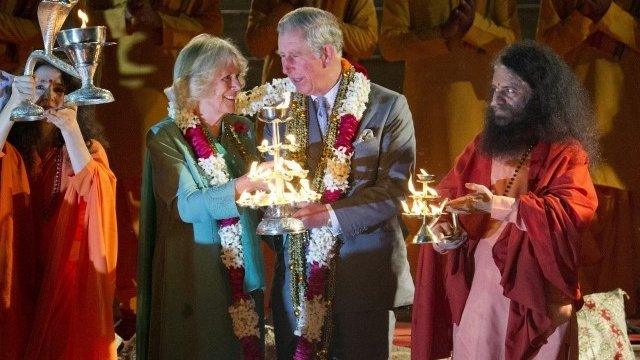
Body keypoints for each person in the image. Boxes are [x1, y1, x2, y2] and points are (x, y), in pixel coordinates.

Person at [411, 41, 599, 359]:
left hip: (536, 291)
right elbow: (446, 196)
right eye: (496, 87)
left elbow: (573, 212)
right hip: (480, 285)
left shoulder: (566, 152)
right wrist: (444, 230)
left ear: (540, 96)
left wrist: (501, 205)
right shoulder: (482, 145)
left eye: (510, 90)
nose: (496, 98)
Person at [266, 8, 415, 359]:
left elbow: (394, 191)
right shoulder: (282, 109)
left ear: (326, 53)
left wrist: (327, 216)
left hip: (363, 281)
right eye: (281, 56)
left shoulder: (388, 106)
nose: (284, 67)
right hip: (297, 283)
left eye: (293, 56)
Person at [137, 34, 268, 360]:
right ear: (196, 84)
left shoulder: (241, 129)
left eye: (239, 77)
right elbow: (189, 205)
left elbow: (257, 199)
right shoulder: (166, 136)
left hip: (244, 265)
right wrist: (242, 185)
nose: (238, 86)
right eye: (228, 78)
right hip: (194, 273)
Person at [0, 63, 118, 359]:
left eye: (59, 88)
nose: (48, 96)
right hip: (16, 265)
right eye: (39, 86)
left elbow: (95, 189)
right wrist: (13, 105)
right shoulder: (13, 144)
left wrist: (70, 129)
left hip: (63, 275)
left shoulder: (85, 147)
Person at [537, 0, 640, 315]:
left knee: (620, 240)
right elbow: (543, 49)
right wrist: (584, 17)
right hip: (572, 124)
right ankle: (577, 314)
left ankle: (617, 320)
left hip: (623, 128)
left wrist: (606, 13)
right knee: (572, 225)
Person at [380, 0, 520, 178]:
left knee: (477, 193)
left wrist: (474, 27)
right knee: (430, 191)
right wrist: (441, 33)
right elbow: (389, 45)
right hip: (429, 114)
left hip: (480, 113)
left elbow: (513, 44)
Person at [245, 0, 377, 83]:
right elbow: (256, 47)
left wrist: (323, 22)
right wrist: (288, 5)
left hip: (335, 95)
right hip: (283, 95)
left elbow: (367, 44)